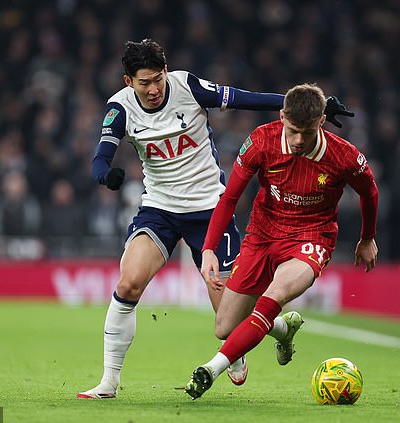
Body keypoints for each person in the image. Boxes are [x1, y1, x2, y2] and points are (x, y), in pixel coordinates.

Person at [78, 40, 354, 399]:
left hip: (210, 208)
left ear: (165, 72)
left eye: (157, 78)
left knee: (227, 319)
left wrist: (307, 107)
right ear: (128, 81)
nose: (153, 88)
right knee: (129, 283)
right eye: (144, 82)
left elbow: (245, 98)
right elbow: (101, 158)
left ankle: (281, 328)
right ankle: (109, 383)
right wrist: (106, 176)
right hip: (159, 208)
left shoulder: (187, 87)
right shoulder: (120, 107)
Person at [183, 83, 378, 400]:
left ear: (322, 121)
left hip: (311, 235)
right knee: (224, 327)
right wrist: (208, 248)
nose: (299, 140)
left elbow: (369, 192)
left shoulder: (344, 156)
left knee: (273, 295)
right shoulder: (262, 141)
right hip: (262, 234)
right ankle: (283, 329)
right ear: (282, 116)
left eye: (308, 132)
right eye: (293, 130)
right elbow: (230, 198)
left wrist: (367, 237)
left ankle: (211, 369)